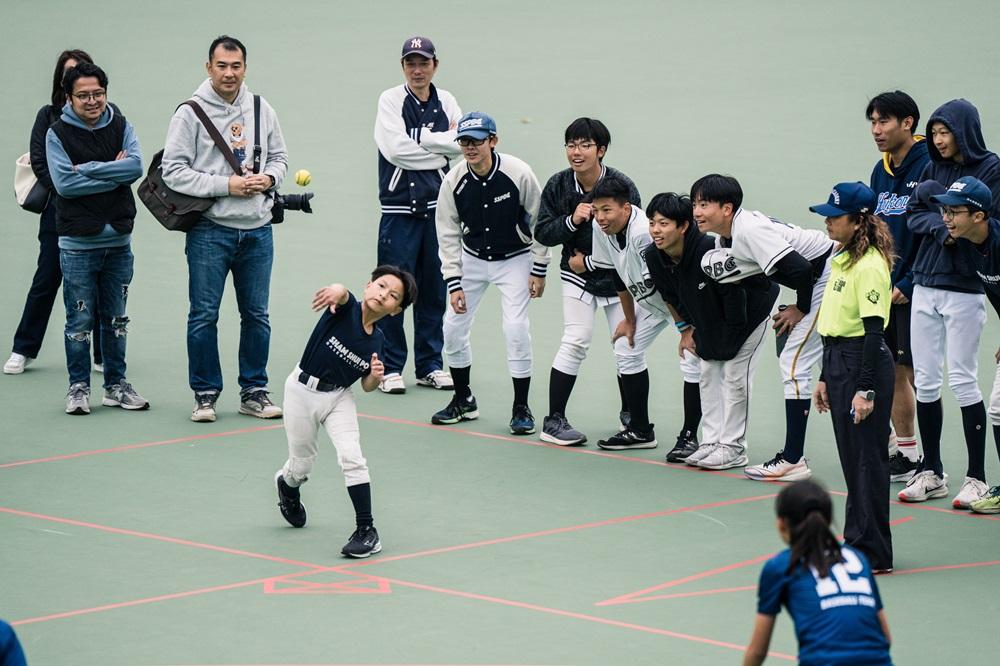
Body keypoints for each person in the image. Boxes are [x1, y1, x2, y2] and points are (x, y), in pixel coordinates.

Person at [162, 35, 288, 423]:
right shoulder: (189, 113)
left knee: (257, 316)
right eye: (222, 66)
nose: (229, 73)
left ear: (244, 68)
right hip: (210, 232)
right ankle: (204, 394)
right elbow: (172, 171)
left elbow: (280, 157)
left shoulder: (261, 107)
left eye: (236, 66)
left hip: (258, 230)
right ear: (209, 67)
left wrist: (269, 178)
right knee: (203, 315)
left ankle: (253, 391)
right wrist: (226, 186)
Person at [693, 174, 833, 477]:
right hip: (819, 273)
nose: (697, 212)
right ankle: (890, 446)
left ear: (727, 208)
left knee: (794, 365)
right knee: (834, 363)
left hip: (827, 272)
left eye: (704, 204)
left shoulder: (749, 231)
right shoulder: (725, 239)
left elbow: (802, 269)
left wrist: (801, 308)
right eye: (695, 204)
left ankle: (793, 459)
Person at [274, 265, 417, 558]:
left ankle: (367, 530)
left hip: (339, 397)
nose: (383, 294)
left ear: (395, 310)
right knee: (300, 468)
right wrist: (334, 290)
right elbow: (340, 292)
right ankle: (287, 486)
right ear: (368, 286)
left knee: (352, 458)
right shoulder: (346, 308)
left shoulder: (378, 341)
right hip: (300, 392)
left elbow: (365, 386)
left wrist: (375, 376)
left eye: (393, 296)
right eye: (380, 286)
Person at [899, 99, 1000, 508]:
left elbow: (987, 219)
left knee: (961, 378)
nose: (938, 141)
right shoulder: (931, 165)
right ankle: (932, 471)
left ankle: (976, 477)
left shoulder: (992, 168)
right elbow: (913, 215)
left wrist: (942, 208)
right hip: (925, 281)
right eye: (935, 133)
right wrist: (945, 229)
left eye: (945, 133)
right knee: (924, 379)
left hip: (965, 287)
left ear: (965, 132)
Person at [432, 112, 548, 434]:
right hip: (471, 260)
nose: (470, 148)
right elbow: (447, 232)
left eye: (477, 141)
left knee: (515, 328)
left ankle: (521, 407)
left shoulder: (518, 173)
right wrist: (453, 282)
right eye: (465, 142)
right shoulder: (453, 181)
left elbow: (540, 221)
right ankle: (463, 399)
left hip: (516, 259)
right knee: (452, 328)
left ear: (493, 141)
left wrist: (539, 269)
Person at [645, 193, 778, 466]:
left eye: (663, 223)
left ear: (683, 227)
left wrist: (726, 340)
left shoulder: (709, 251)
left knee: (734, 377)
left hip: (750, 314)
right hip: (709, 317)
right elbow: (670, 296)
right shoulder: (654, 256)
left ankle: (733, 448)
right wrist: (686, 329)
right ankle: (711, 442)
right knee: (707, 374)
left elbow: (735, 295)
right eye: (652, 223)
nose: (656, 231)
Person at [46, 62, 148, 415]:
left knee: (117, 318)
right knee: (79, 320)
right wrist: (112, 171)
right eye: (84, 95)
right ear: (69, 97)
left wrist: (87, 169)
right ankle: (78, 387)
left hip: (118, 242)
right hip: (77, 246)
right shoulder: (57, 133)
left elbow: (134, 167)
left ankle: (116, 385)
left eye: (98, 94)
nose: (93, 101)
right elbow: (64, 185)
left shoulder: (121, 124)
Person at [532, 118, 638, 446]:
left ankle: (634, 420)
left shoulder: (622, 186)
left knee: (628, 347)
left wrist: (589, 261)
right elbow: (542, 232)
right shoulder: (558, 185)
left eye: (585, 145)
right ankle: (554, 421)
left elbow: (634, 237)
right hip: (575, 277)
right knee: (575, 339)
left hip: (617, 279)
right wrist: (571, 220)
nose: (576, 152)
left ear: (601, 150)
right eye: (571, 145)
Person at [811, 182, 895, 572]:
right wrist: (827, 376)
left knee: (867, 461)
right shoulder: (842, 260)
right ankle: (856, 542)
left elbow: (874, 332)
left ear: (858, 221)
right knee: (852, 460)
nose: (828, 222)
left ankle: (873, 553)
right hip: (839, 359)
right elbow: (834, 325)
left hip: (863, 361)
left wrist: (865, 389)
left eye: (835, 216)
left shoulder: (870, 266)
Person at [5, 49, 103, 377]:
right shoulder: (48, 116)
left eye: (80, 70)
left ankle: (101, 355)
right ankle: (23, 349)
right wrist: (65, 185)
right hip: (58, 213)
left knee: (100, 283)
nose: (74, 76)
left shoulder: (104, 116)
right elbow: (39, 159)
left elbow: (111, 162)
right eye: (68, 72)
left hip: (95, 213)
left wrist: (86, 179)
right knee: (46, 278)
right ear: (61, 81)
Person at [373, 36, 462, 395]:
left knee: (434, 290)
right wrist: (439, 149)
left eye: (423, 62)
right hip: (398, 212)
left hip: (437, 211)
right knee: (391, 291)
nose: (417, 69)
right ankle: (390, 368)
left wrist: (424, 140)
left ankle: (429, 365)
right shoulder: (390, 100)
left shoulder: (448, 100)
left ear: (434, 65)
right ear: (403, 67)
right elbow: (395, 151)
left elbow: (461, 143)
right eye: (411, 63)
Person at [586, 177, 702, 451]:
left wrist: (685, 329)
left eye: (607, 210)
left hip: (684, 303)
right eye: (596, 210)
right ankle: (639, 429)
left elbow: (667, 284)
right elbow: (616, 272)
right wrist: (629, 319)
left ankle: (689, 436)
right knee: (627, 347)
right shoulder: (600, 227)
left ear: (626, 208)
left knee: (691, 359)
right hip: (651, 302)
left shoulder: (642, 234)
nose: (600, 217)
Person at [743, 480, 892, 666]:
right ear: (828, 521)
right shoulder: (857, 558)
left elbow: (757, 652)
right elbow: (885, 637)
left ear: (781, 524)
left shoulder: (781, 566)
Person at [866, 91, 931, 481]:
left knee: (908, 369)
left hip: (917, 286)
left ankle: (920, 459)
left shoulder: (929, 167)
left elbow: (935, 232)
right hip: (885, 286)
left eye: (884, 121)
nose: (876, 130)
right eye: (872, 122)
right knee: (892, 368)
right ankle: (906, 452)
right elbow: (876, 228)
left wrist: (909, 280)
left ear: (908, 123)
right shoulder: (882, 170)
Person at [930, 176, 1000, 514]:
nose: (946, 217)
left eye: (954, 211)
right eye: (945, 210)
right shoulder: (970, 244)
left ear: (979, 215)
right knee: (998, 409)